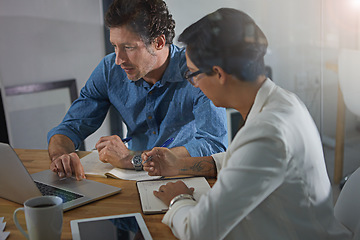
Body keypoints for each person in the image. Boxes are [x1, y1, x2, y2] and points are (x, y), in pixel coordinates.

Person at [142, 8, 352, 240]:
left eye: (193, 74)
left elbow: (198, 232)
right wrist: (179, 166)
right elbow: (241, 158)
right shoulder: (282, 101)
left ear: (219, 74)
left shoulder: (268, 132)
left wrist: (179, 199)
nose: (194, 84)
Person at [47, 0, 228, 180]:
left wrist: (131, 159)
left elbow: (214, 145)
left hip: (186, 175)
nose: (119, 59)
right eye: (115, 46)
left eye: (128, 47)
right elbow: (70, 127)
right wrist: (60, 156)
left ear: (158, 42)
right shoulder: (109, 70)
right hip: (129, 177)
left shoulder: (195, 71)